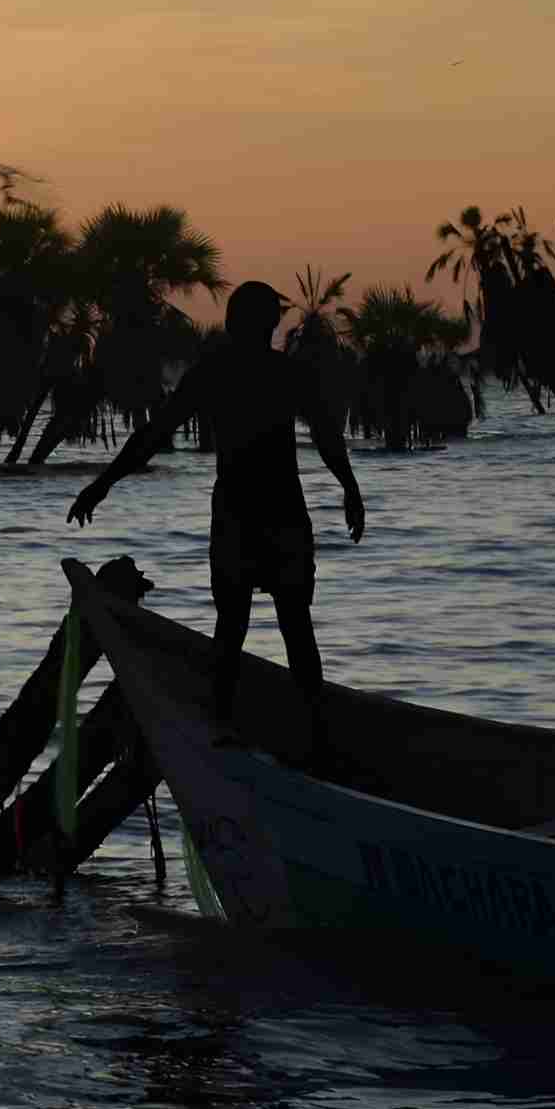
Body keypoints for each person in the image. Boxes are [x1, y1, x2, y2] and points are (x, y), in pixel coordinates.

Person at [67, 281, 367, 768]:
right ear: (268, 324)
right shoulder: (280, 373)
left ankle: (232, 729)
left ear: (233, 323)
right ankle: (311, 735)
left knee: (239, 628)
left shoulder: (222, 373)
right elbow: (329, 437)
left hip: (245, 517)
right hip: (272, 516)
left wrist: (103, 484)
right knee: (287, 627)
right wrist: (350, 491)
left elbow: (152, 436)